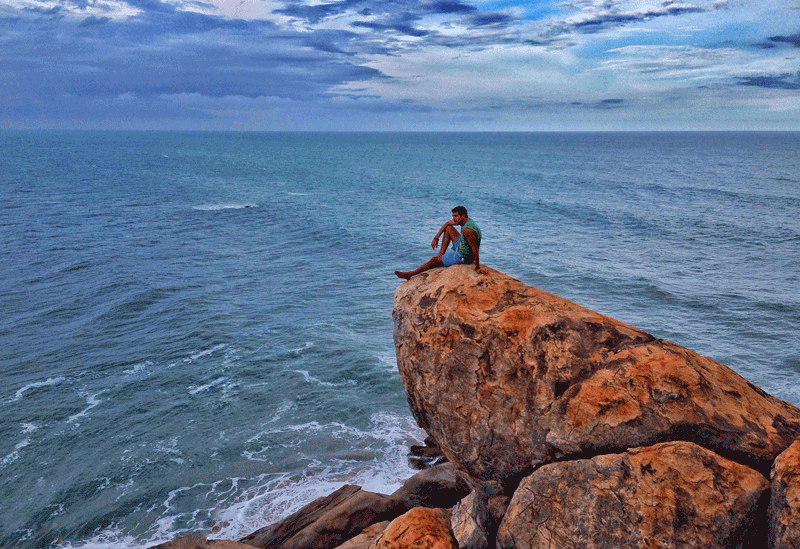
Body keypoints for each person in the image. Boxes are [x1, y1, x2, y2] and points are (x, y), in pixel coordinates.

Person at [395, 206, 487, 279]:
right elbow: (447, 223)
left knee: (433, 260)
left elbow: (474, 249)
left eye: (455, 216)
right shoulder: (466, 221)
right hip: (462, 245)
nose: (453, 218)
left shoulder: (467, 230)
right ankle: (441, 256)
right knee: (448, 228)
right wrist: (436, 237)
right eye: (453, 216)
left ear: (463, 216)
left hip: (463, 257)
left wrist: (477, 267)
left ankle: (410, 274)